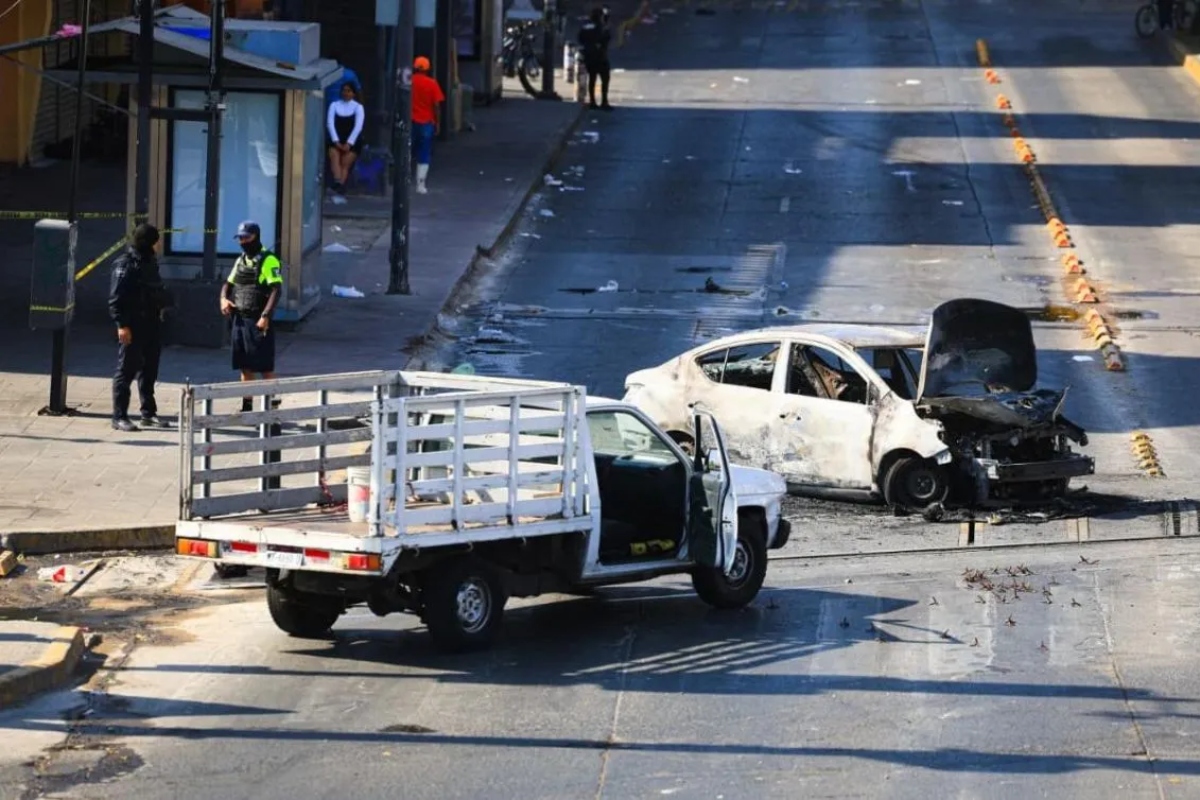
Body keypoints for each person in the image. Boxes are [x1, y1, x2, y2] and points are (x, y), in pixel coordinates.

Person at [108, 223, 172, 432]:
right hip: (133, 325)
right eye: (156, 239)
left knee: (149, 369)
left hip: (151, 323)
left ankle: (148, 413)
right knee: (126, 370)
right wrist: (122, 325)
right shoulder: (126, 264)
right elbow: (116, 298)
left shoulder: (150, 262)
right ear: (149, 241)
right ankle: (119, 416)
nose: (159, 243)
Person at [219, 221, 283, 411]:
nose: (243, 241)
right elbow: (228, 284)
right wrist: (223, 298)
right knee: (244, 365)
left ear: (256, 236)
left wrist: (265, 316)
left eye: (247, 237)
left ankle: (272, 408)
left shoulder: (268, 260)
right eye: (240, 238)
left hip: (258, 321)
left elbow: (276, 290)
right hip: (239, 318)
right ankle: (247, 407)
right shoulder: (241, 260)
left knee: (264, 367)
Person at [411, 56, 445, 195]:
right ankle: (420, 184)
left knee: (406, 151)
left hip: (410, 121)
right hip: (427, 122)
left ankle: (403, 180)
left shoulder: (409, 81)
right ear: (427, 69)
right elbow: (437, 105)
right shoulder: (432, 83)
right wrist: (437, 123)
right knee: (424, 153)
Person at [326, 81, 365, 195]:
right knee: (334, 157)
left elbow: (358, 126)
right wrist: (336, 141)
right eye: (344, 90)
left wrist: (349, 143)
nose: (346, 93)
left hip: (352, 141)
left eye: (349, 91)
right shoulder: (334, 105)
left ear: (353, 93)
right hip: (336, 139)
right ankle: (337, 182)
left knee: (345, 162)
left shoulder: (358, 107)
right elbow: (330, 124)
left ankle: (340, 187)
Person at [578, 6, 613, 111]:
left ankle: (592, 101)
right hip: (600, 56)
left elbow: (580, 38)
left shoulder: (586, 26)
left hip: (588, 56)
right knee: (605, 78)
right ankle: (604, 101)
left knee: (592, 78)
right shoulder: (601, 27)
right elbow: (606, 38)